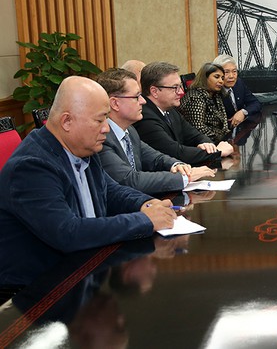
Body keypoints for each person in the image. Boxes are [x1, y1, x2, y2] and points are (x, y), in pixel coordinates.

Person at [0, 76, 176, 288]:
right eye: (99, 120)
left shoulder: (82, 147)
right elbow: (68, 232)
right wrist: (145, 220)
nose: (107, 128)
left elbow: (110, 190)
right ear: (67, 121)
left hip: (86, 269)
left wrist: (146, 203)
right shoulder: (32, 167)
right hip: (41, 289)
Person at [96, 68, 216, 194]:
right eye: (137, 97)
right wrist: (185, 177)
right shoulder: (101, 138)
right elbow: (130, 180)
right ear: (115, 103)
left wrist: (177, 165)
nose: (143, 101)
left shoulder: (130, 130)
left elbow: (156, 158)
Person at [133, 61, 234, 166]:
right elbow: (176, 152)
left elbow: (195, 135)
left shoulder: (170, 109)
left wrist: (207, 145)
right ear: (154, 91)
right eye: (175, 88)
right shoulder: (145, 117)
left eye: (180, 86)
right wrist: (216, 152)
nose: (181, 92)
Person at [178, 62, 231, 143]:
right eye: (217, 77)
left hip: (217, 140)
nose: (221, 81)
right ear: (205, 78)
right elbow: (198, 128)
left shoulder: (215, 95)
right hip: (201, 143)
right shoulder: (195, 97)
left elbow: (223, 123)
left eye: (222, 78)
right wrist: (222, 140)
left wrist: (229, 137)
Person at [212, 54, 262, 128]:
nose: (231, 76)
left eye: (234, 71)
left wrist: (243, 112)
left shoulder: (239, 83)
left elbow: (256, 103)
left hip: (242, 129)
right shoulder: (213, 91)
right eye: (226, 72)